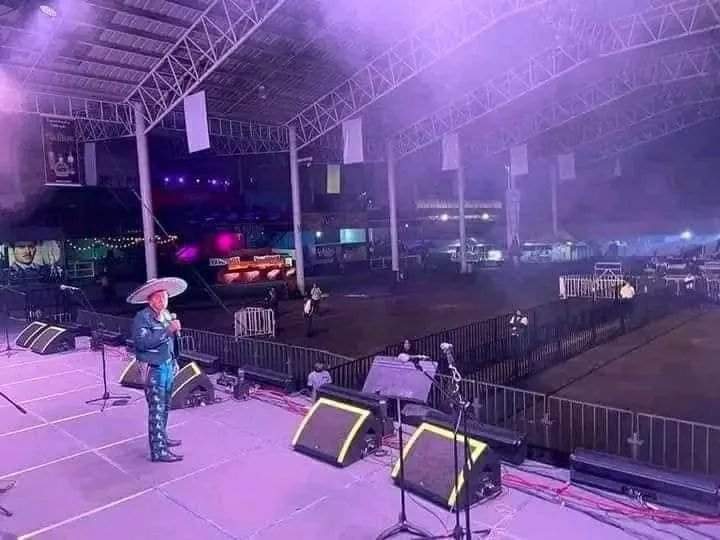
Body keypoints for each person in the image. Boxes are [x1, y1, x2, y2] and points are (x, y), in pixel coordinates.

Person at [129, 277, 188, 463]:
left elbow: (170, 343)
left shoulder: (166, 314)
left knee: (165, 405)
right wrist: (168, 330)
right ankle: (158, 450)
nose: (163, 300)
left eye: (165, 296)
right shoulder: (142, 317)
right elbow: (142, 343)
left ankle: (162, 437)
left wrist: (174, 359)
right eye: (158, 297)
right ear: (150, 300)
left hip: (167, 365)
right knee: (156, 408)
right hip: (153, 368)